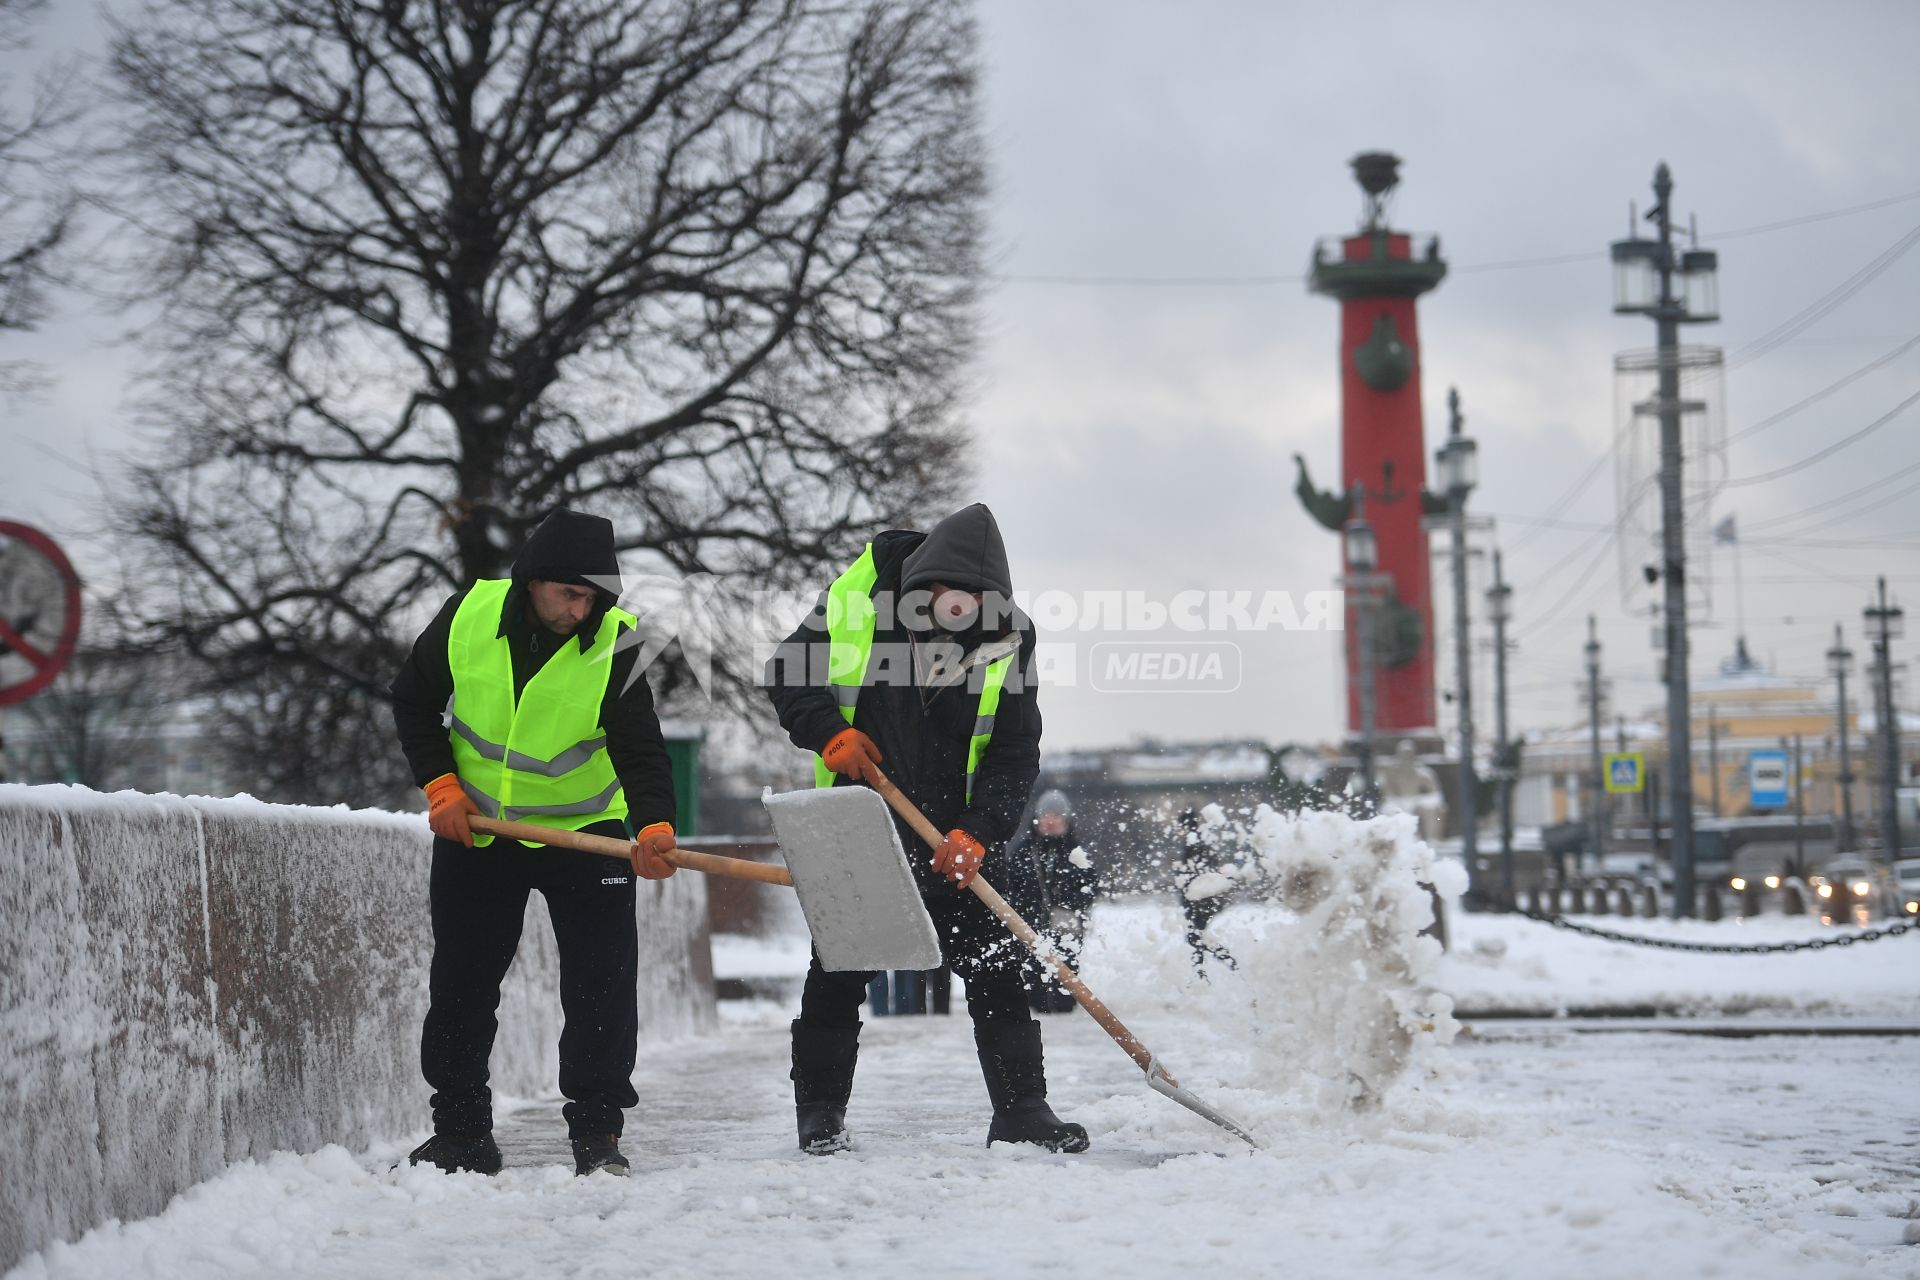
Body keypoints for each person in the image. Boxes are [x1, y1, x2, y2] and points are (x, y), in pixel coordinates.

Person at [764, 502, 1088, 1155]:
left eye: (976, 599)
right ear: (923, 582)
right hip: (861, 825)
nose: (960, 610)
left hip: (955, 840)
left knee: (996, 971)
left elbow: (1015, 751)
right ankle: (820, 1113)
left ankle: (1022, 1109)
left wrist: (981, 828)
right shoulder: (856, 598)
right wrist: (831, 733)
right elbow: (787, 676)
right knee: (838, 971)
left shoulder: (1010, 638)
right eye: (950, 596)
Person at [389, 508, 680, 1178]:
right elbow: (413, 701)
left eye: (592, 598)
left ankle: (597, 1138)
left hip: (587, 832)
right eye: (568, 593)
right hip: (482, 829)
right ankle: (462, 1135)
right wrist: (440, 787)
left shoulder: (618, 644)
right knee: (462, 982)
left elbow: (640, 749)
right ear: (532, 581)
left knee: (601, 987)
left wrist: (655, 826)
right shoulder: (467, 616)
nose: (580, 609)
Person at [1018, 789, 1097, 1014]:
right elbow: (1012, 887)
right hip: (1031, 926)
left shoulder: (1077, 852)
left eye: (1056, 816)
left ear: (1066, 819)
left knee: (1066, 973)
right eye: (1045, 815)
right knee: (1034, 976)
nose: (1050, 821)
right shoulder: (1024, 851)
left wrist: (1066, 904)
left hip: (1066, 925)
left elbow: (1089, 887)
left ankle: (1063, 1009)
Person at [1172, 807, 1238, 975]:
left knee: (1196, 937)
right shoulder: (1196, 841)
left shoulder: (1194, 843)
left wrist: (1184, 878)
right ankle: (1206, 971)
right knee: (1196, 937)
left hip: (1201, 900)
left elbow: (1199, 874)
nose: (1179, 830)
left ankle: (1219, 967)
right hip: (1200, 900)